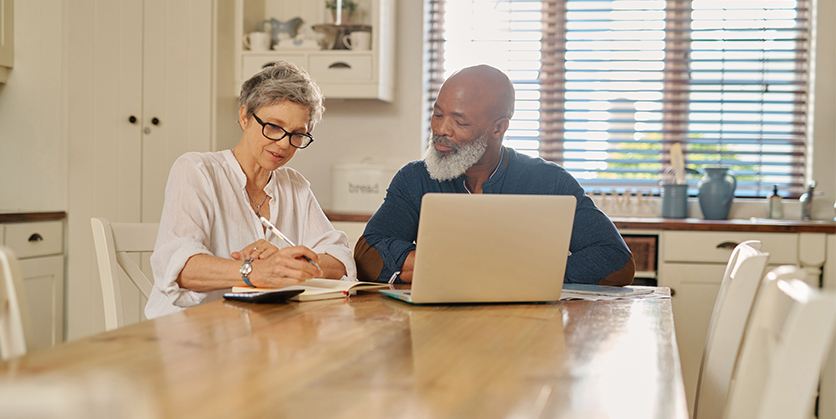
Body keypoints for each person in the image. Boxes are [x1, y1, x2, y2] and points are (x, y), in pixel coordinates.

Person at [355, 64, 634, 285]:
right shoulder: (415, 178)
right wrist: (467, 266)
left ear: (498, 128)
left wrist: (518, 275)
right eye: (438, 115)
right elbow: (368, 254)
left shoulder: (550, 182)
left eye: (459, 121)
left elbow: (617, 263)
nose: (442, 129)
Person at [146, 61, 356, 318]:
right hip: (188, 334)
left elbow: (339, 258)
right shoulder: (197, 170)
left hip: (257, 333)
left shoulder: (295, 185)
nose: (283, 144)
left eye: (297, 134)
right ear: (244, 117)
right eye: (274, 127)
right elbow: (181, 268)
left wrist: (287, 263)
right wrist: (257, 271)